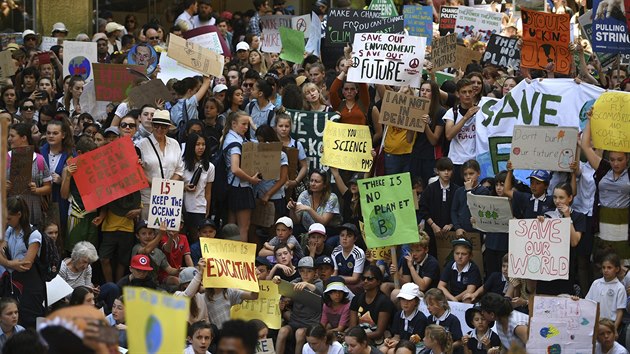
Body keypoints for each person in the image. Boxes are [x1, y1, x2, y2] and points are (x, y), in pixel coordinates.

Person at [581, 117, 630, 263]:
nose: (615, 163)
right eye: (613, 159)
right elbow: (585, 146)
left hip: (624, 222)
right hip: (602, 220)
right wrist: (590, 120)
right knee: (604, 263)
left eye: (620, 160)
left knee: (623, 264)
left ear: (627, 159)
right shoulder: (603, 169)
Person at [0, 196, 46, 327]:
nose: (7, 222)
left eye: (9, 218)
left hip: (30, 288)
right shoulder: (9, 231)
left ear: (19, 215)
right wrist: (10, 263)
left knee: (29, 323)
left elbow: (25, 265)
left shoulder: (34, 235)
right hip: (13, 285)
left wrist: (7, 262)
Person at [137, 109, 184, 219]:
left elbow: (179, 169)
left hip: (170, 199)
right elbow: (138, 170)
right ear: (152, 126)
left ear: (168, 128)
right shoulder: (141, 145)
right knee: (148, 233)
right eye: (156, 126)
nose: (159, 129)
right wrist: (156, 185)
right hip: (148, 197)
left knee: (167, 233)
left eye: (163, 127)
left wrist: (166, 186)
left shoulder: (175, 144)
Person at [222, 111, 261, 242]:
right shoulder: (235, 142)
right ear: (234, 124)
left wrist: (254, 127)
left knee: (232, 227)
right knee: (243, 227)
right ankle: (241, 259)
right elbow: (235, 168)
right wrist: (252, 179)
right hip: (241, 187)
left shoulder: (231, 137)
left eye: (247, 125)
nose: (246, 127)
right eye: (243, 124)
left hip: (232, 186)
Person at [274, 256, 323, 354]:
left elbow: (318, 290)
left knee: (300, 333)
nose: (305, 274)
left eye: (309, 271)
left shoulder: (318, 282)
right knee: (282, 331)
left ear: (315, 273)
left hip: (310, 324)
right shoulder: (296, 281)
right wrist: (277, 280)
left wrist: (306, 284)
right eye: (302, 271)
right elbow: (286, 287)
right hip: (294, 321)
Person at [7, 123, 52, 227]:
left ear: (23, 138)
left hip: (33, 211)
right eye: (9, 136)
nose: (9, 139)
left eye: (12, 136)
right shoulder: (4, 159)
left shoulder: (39, 159)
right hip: (10, 212)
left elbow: (48, 187)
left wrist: (36, 190)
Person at [419, 157, 458, 256]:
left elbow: (459, 210)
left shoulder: (456, 190)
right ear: (437, 171)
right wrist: (433, 225)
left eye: (448, 170)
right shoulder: (430, 189)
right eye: (443, 170)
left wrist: (451, 225)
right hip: (432, 232)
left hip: (450, 234)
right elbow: (423, 209)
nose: (446, 173)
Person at [444, 79, 479, 186]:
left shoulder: (481, 111)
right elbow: (449, 135)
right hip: (456, 161)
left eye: (470, 91)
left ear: (474, 93)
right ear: (458, 94)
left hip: (475, 161)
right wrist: (466, 117)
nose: (467, 95)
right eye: (464, 92)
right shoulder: (452, 112)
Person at [349, 265, 394, 346]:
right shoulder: (356, 299)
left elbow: (379, 333)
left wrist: (357, 337)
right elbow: (352, 326)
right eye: (363, 278)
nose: (365, 281)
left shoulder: (384, 302)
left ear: (378, 281)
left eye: (370, 278)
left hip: (378, 339)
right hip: (357, 337)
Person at [182, 132, 215, 242]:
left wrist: (207, 209)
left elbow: (208, 191)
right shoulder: (181, 164)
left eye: (203, 144)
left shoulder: (210, 167)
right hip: (182, 206)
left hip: (199, 206)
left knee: (196, 238)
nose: (201, 147)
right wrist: (185, 187)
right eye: (197, 144)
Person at [288, 169, 341, 234]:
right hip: (307, 229)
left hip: (326, 230)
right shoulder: (304, 195)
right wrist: (292, 209)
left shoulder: (332, 198)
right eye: (311, 181)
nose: (313, 184)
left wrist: (309, 209)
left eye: (317, 181)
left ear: (324, 185)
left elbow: (323, 222)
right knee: (294, 230)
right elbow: (296, 221)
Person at [380, 283, 427, 354]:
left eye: (409, 300)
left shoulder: (421, 318)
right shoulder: (398, 315)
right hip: (400, 344)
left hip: (413, 347)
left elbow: (417, 342)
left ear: (416, 301)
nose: (406, 303)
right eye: (403, 299)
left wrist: (398, 344)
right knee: (383, 349)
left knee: (391, 352)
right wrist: (390, 340)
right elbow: (396, 336)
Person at [586, 253, 626, 331]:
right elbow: (588, 302)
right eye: (603, 267)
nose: (605, 270)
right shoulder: (596, 283)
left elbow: (620, 311)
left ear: (617, 269)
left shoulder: (619, 288)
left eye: (609, 268)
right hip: (595, 322)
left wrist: (615, 328)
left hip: (610, 324)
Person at [438, 238, 482, 303]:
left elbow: (469, 290)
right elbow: (440, 286)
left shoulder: (473, 268)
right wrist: (452, 299)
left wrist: (455, 300)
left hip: (467, 298)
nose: (460, 256)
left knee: (467, 299)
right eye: (457, 253)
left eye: (464, 254)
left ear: (470, 256)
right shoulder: (450, 265)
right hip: (452, 297)